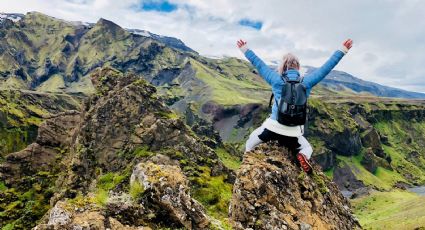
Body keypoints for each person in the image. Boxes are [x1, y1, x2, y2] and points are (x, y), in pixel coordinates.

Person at [237, 38, 353, 173]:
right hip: (293, 133)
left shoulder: (276, 80)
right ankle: (302, 156)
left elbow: (259, 64)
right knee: (307, 148)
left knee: (250, 142)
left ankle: (247, 163)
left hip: (272, 128)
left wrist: (245, 49)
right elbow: (325, 69)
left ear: (282, 67)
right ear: (298, 67)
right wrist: (342, 50)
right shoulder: (306, 82)